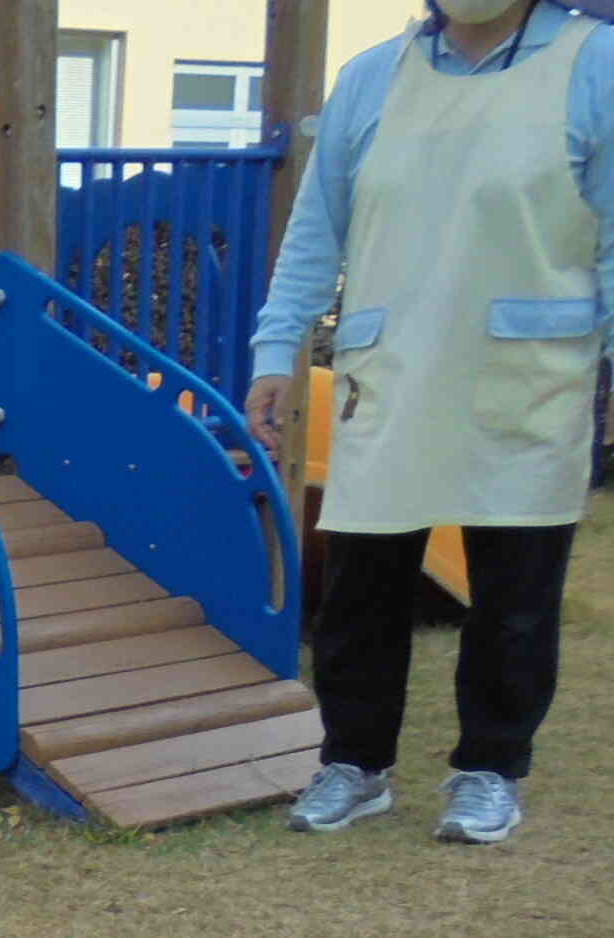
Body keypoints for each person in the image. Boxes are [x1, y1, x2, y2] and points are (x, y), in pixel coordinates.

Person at [246, 0, 614, 844]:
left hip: (528, 374)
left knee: (516, 598)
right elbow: (316, 230)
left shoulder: (596, 66)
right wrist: (278, 351)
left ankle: (490, 769)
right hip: (393, 371)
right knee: (360, 593)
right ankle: (355, 764)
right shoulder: (372, 77)